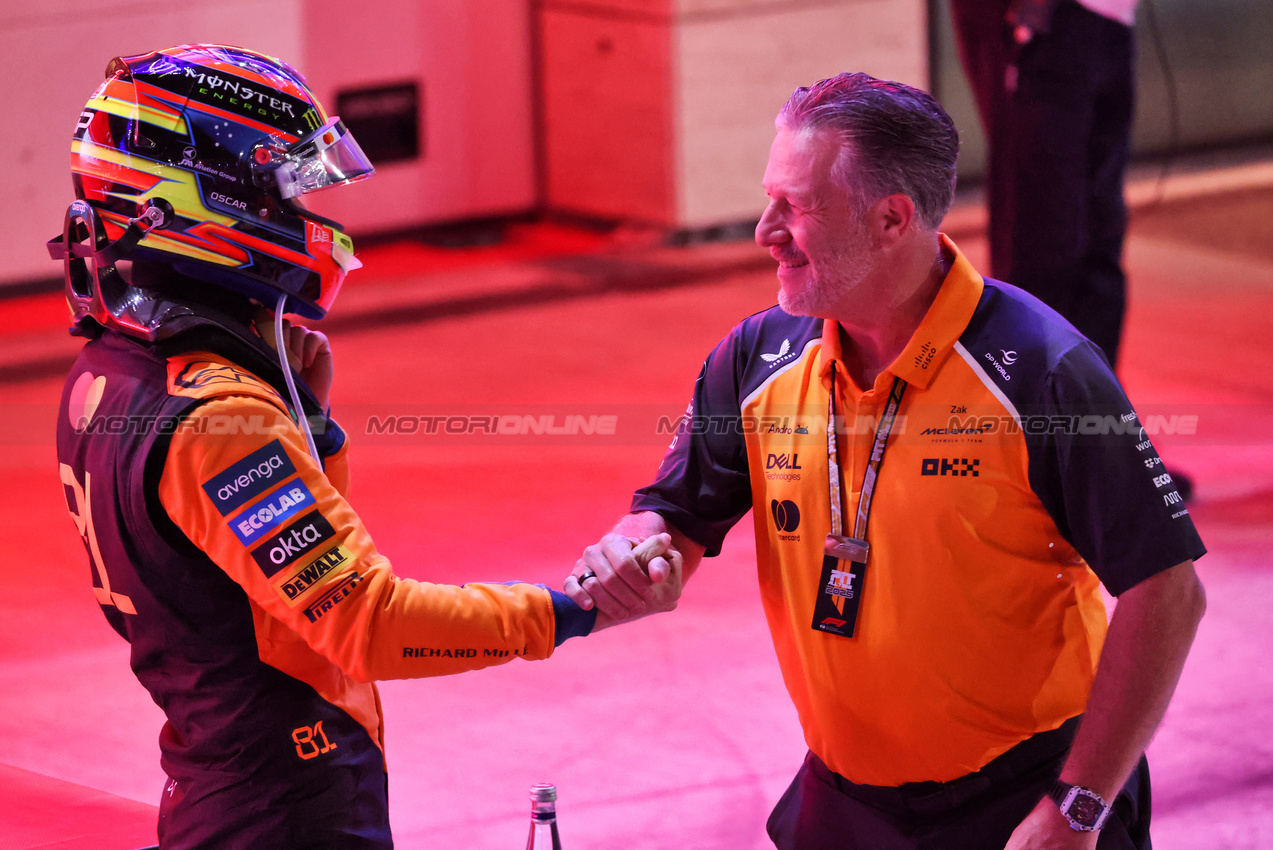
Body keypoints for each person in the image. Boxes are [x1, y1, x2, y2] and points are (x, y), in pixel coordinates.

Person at [50, 44, 680, 849]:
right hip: (286, 806)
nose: (311, 217)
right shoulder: (221, 416)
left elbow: (244, 589)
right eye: (287, 190)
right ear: (201, 205)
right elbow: (367, 626)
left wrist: (305, 425)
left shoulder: (108, 371)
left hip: (221, 779)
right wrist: (574, 612)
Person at [566, 73, 1205, 849]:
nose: (765, 229)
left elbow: (1166, 594)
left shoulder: (1040, 372)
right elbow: (677, 514)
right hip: (845, 805)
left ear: (891, 219)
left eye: (794, 207)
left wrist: (1076, 807)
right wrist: (641, 554)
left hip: (1026, 799)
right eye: (770, 199)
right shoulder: (757, 355)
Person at [948, 0, 1136, 368]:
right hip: (1040, 20)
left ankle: (1096, 405)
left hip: (1109, 18)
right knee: (1040, 237)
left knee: (1100, 230)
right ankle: (1036, 408)